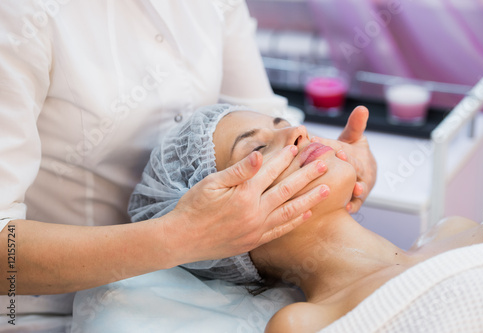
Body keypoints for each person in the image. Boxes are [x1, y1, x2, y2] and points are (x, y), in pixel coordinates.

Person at [0, 1, 376, 331]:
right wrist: (178, 237)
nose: (299, 137)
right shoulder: (20, 15)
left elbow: (265, 118)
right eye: (258, 147)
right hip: (37, 309)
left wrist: (342, 157)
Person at [129, 104, 483, 333]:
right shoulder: (303, 324)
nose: (298, 132)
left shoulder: (456, 228)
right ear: (222, 228)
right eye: (257, 148)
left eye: (283, 123)